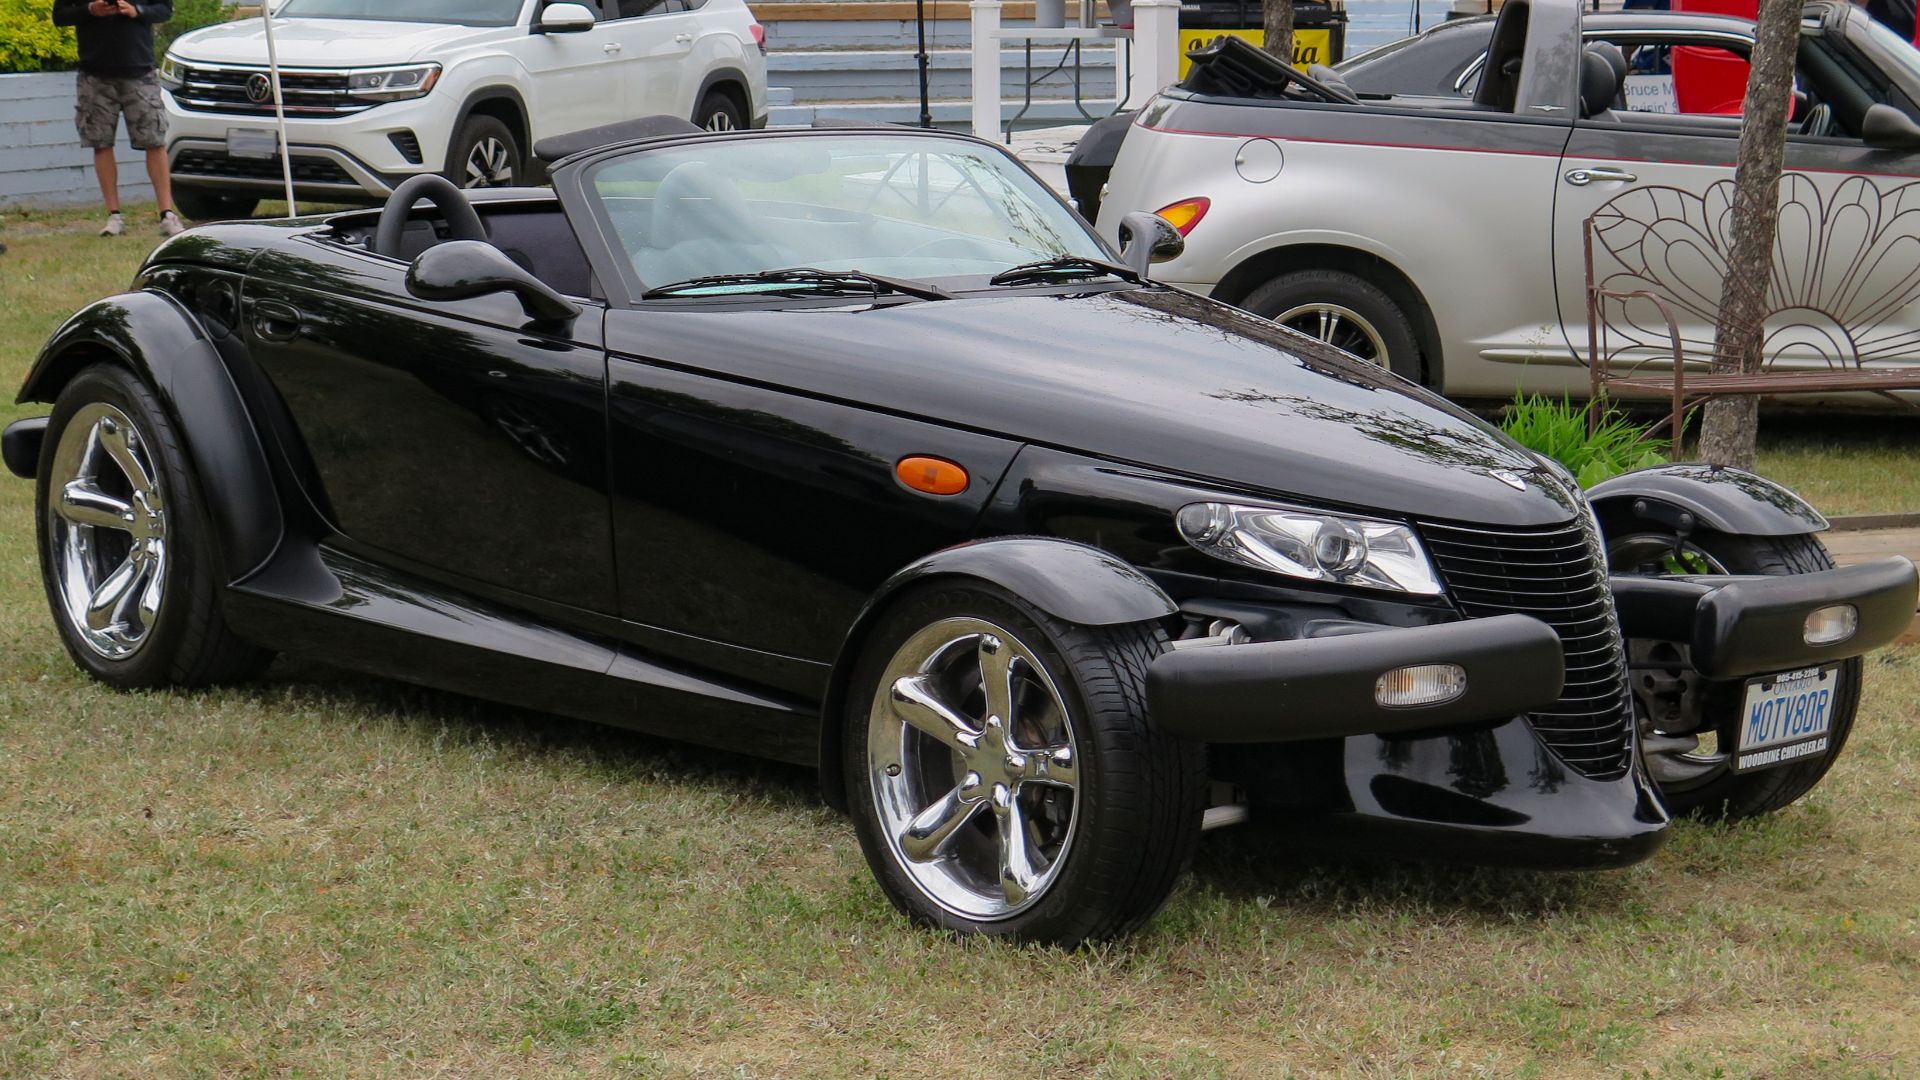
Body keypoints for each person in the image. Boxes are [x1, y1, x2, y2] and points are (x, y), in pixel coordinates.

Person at [51, 1, 182, 238]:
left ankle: (167, 214)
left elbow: (164, 9)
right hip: (94, 73)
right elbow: (60, 15)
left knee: (155, 141)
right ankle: (114, 216)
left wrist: (137, 10)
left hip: (139, 70)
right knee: (101, 143)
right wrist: (90, 10)